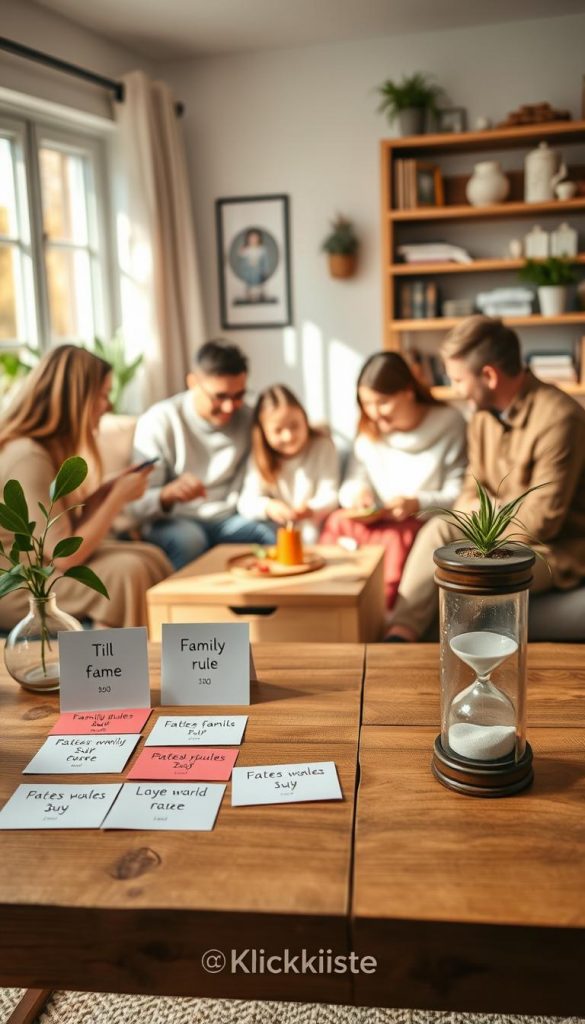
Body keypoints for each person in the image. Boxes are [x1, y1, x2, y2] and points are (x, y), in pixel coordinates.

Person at [386, 315, 585, 641]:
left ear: (489, 376)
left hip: (551, 549)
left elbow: (541, 521)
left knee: (469, 581)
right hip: (496, 534)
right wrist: (489, 511)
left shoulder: (559, 419)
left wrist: (486, 516)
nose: (454, 390)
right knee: (438, 527)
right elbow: (470, 491)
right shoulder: (480, 417)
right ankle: (399, 635)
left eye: (458, 380)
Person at [0, 345, 172, 631]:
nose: (108, 405)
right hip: (22, 587)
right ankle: (105, 668)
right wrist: (117, 498)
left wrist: (104, 493)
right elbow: (65, 556)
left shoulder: (42, 449)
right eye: (103, 395)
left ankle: (160, 657)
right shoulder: (28, 457)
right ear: (76, 399)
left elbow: (60, 531)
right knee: (128, 572)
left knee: (149, 556)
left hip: (43, 569)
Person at [320, 352, 467, 609]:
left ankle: (384, 618)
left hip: (417, 522)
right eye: (366, 403)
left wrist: (416, 502)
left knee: (397, 538)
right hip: (378, 518)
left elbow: (458, 493)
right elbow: (354, 479)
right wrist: (359, 494)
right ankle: (326, 607)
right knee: (336, 521)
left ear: (408, 391)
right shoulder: (369, 427)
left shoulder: (449, 423)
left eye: (383, 402)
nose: (374, 413)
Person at [131, 339, 275, 570]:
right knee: (191, 540)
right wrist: (167, 494)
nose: (230, 407)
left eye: (239, 395)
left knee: (272, 534)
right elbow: (135, 503)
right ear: (192, 383)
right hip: (175, 521)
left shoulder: (248, 418)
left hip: (230, 519)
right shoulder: (160, 421)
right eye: (220, 396)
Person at [237, 384, 339, 538]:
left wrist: (311, 509)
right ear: (263, 433)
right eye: (278, 430)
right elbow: (246, 502)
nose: (288, 436)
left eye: (294, 426)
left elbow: (330, 494)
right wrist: (268, 507)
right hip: (280, 534)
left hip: (319, 528)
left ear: (304, 418)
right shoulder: (259, 456)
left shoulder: (322, 446)